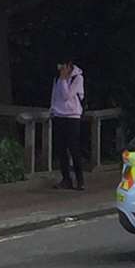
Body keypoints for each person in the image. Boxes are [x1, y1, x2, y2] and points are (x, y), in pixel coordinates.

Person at [51, 58, 86, 190]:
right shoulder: (57, 79)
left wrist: (64, 80)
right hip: (59, 116)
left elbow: (67, 95)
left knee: (74, 148)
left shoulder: (77, 78)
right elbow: (55, 96)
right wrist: (53, 110)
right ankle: (66, 179)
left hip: (72, 117)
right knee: (61, 150)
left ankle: (80, 179)